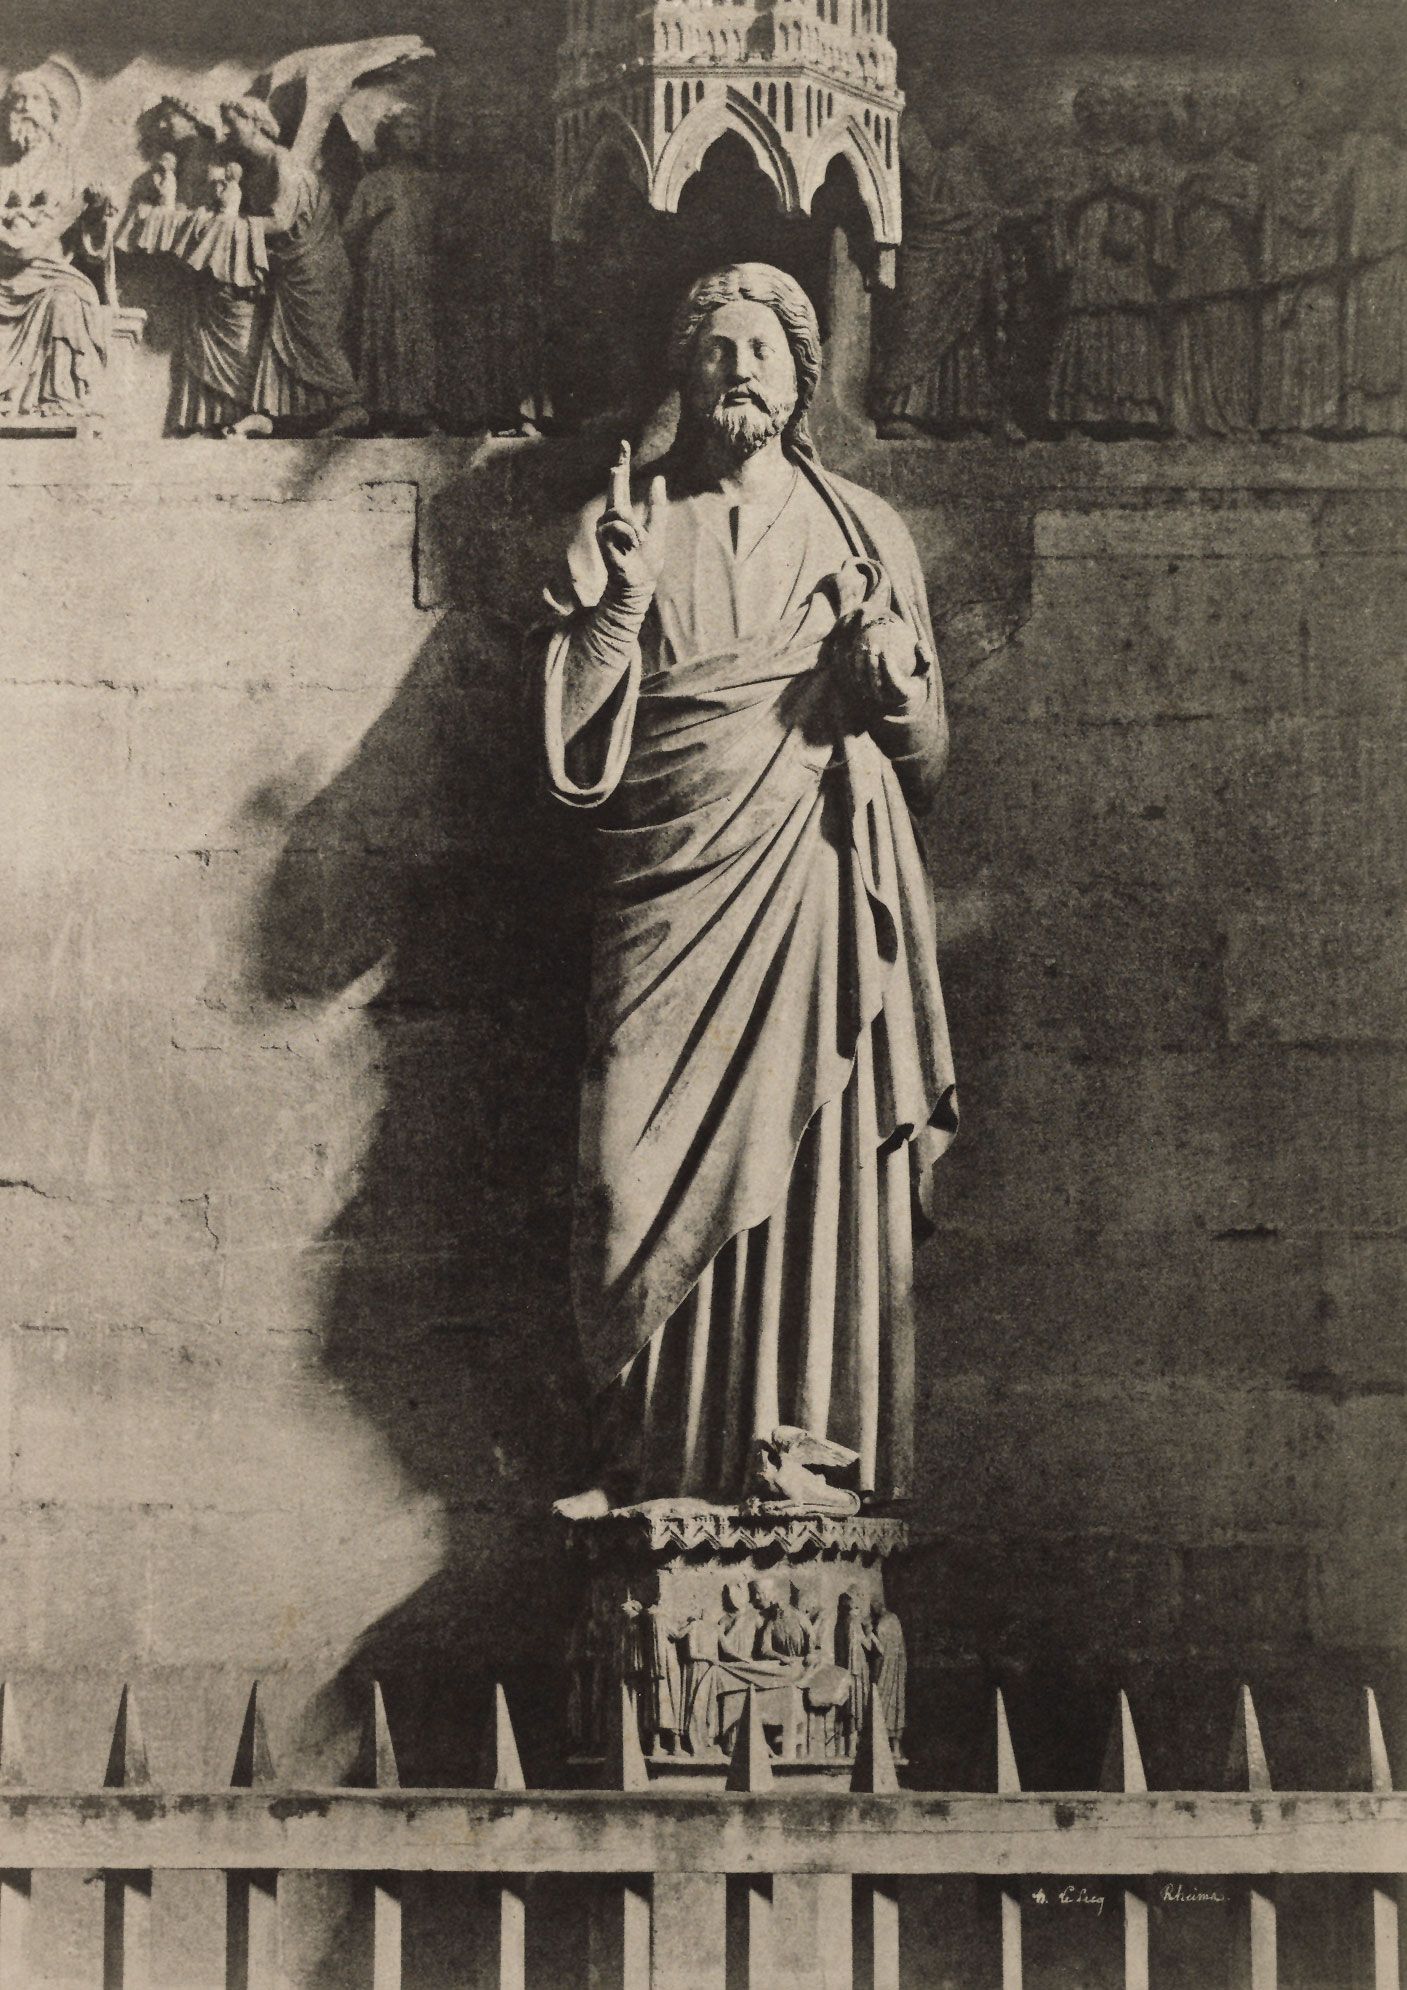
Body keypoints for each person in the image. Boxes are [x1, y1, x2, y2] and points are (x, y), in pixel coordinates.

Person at [543, 263, 956, 1514]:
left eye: (764, 350)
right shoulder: (630, 520)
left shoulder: (863, 528)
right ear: (684, 371)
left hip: (817, 880)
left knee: (817, 1155)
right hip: (668, 891)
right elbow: (570, 747)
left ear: (800, 375)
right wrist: (615, 603)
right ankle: (654, 1459)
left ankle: (804, 1442)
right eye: (717, 348)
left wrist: (891, 689)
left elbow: (929, 758)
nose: (739, 371)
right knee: (624, 1172)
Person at [219, 94, 366, 435]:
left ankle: (350, 406)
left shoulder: (282, 163)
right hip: (288, 267)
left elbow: (282, 221)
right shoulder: (257, 168)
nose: (226, 130)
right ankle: (272, 413)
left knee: (317, 338)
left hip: (315, 265)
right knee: (280, 338)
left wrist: (234, 224)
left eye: (232, 121)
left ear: (255, 122)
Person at [0, 67, 107, 419]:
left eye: (35, 99)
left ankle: (56, 399)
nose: (26, 107)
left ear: (53, 111)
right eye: (18, 100)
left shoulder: (70, 167)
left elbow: (93, 245)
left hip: (50, 274)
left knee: (68, 301)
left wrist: (99, 213)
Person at [343, 105, 439, 431]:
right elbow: (348, 234)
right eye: (404, 127)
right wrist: (371, 220)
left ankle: (420, 410)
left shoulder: (432, 183)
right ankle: (385, 410)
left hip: (421, 268)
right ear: (388, 136)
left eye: (417, 127)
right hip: (383, 270)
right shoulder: (372, 184)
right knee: (385, 336)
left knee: (419, 336)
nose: (412, 133)